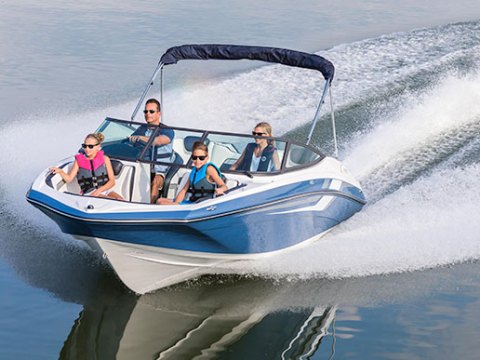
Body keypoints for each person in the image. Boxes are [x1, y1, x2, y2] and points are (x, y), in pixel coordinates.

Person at [50, 133, 124, 200]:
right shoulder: (78, 161)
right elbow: (69, 179)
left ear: (98, 146)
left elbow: (112, 182)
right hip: (90, 193)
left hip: (105, 190)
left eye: (90, 146)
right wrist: (60, 171)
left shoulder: (105, 159)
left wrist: (99, 191)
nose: (87, 149)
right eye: (84, 146)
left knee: (121, 200)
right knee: (112, 201)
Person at [129, 98, 175, 203]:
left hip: (161, 169)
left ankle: (150, 207)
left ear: (159, 114)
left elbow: (158, 141)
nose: (148, 114)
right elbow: (131, 140)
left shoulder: (168, 131)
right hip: (144, 166)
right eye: (146, 111)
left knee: (155, 182)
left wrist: (140, 138)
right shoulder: (142, 129)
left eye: (151, 111)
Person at [157, 141, 227, 205]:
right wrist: (176, 204)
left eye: (201, 158)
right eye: (194, 157)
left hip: (202, 205)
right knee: (160, 201)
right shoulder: (193, 171)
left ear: (207, 158)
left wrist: (221, 189)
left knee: (162, 203)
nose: (197, 160)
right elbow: (184, 190)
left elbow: (224, 186)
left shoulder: (209, 169)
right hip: (192, 203)